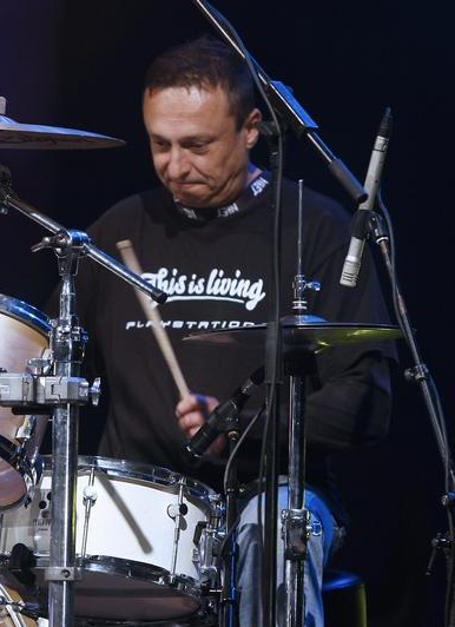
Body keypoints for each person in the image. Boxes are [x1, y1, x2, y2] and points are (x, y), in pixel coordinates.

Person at [69, 35, 394, 625]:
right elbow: (51, 366)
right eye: (160, 144)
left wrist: (241, 429)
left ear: (250, 130)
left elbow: (365, 404)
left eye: (197, 145)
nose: (175, 166)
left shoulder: (317, 230)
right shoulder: (119, 230)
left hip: (274, 493)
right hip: (137, 499)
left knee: (272, 529)